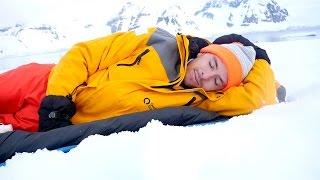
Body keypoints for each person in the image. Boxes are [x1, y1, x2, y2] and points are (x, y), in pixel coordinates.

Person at [0, 27, 279, 132]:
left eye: (217, 80)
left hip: (48, 123)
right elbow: (85, 53)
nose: (206, 76)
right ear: (205, 51)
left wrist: (261, 59)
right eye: (212, 63)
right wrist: (57, 96)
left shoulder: (200, 100)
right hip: (44, 81)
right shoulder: (156, 41)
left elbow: (259, 96)